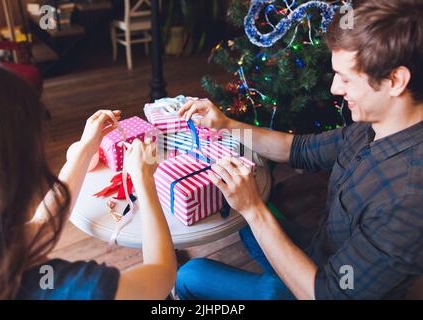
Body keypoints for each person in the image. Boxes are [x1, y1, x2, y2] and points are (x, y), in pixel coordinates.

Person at [175, 0, 423, 300]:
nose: (335, 88)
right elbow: (299, 148)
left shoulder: (410, 199)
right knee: (244, 220)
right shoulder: (375, 124)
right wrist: (226, 124)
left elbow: (326, 294)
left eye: (345, 78)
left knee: (191, 275)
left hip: (318, 288)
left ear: (395, 80)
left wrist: (253, 209)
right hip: (317, 252)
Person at [0, 59, 176, 300]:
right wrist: (144, 181)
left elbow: (43, 226)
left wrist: (86, 149)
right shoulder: (75, 290)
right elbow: (162, 275)